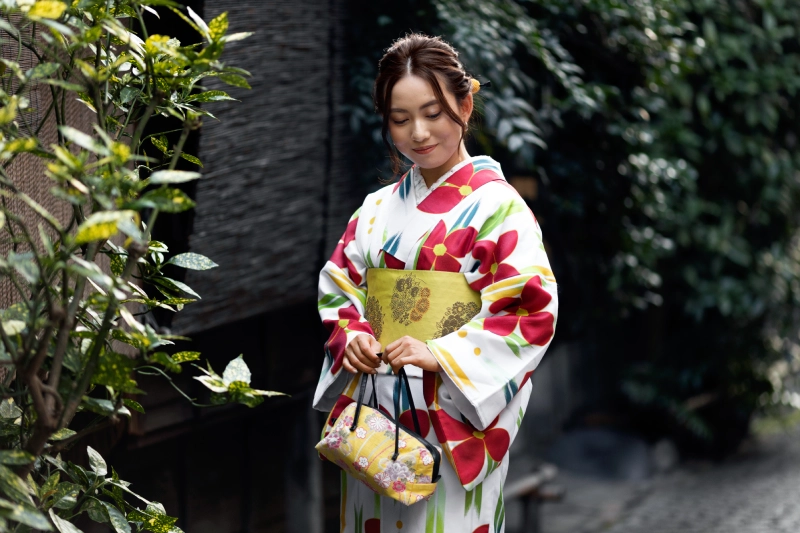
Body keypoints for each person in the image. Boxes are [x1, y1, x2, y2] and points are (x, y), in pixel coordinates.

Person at [313, 33, 558, 533]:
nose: (418, 133)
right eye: (400, 120)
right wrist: (354, 335)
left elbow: (528, 311)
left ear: (465, 104)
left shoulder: (499, 208)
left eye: (434, 113)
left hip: (447, 419)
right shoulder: (376, 209)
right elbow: (341, 284)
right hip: (375, 426)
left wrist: (442, 355)